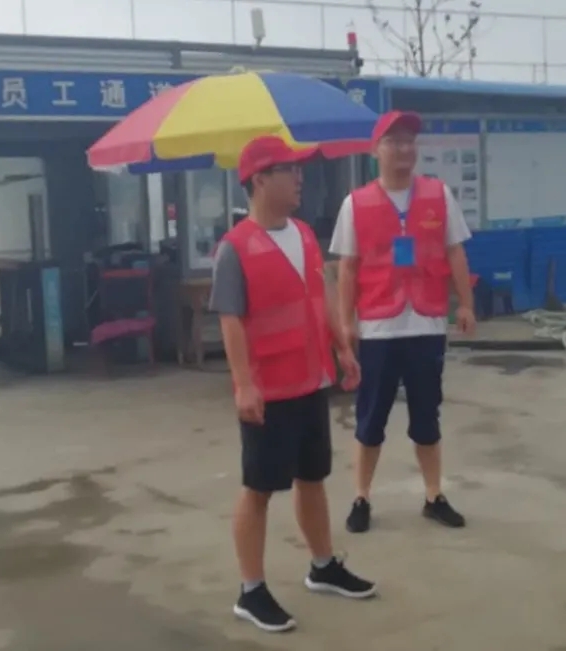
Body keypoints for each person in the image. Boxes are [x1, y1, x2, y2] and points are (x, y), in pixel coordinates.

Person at [210, 135, 376, 634]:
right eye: (289, 170)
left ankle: (323, 566)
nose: (300, 178)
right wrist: (243, 385)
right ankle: (251, 590)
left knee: (312, 477)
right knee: (259, 488)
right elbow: (231, 321)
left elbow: (319, 295)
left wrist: (342, 347)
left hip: (310, 380)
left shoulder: (303, 234)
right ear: (259, 180)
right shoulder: (235, 248)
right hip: (269, 391)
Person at [330, 111, 477, 534]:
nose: (404, 149)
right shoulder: (356, 203)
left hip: (426, 323)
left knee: (427, 418)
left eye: (410, 141)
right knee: (370, 419)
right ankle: (361, 497)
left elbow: (455, 252)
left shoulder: (437, 195)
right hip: (378, 327)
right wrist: (346, 322)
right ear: (375, 150)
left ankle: (433, 495)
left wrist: (465, 304)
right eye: (394, 141)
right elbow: (348, 268)